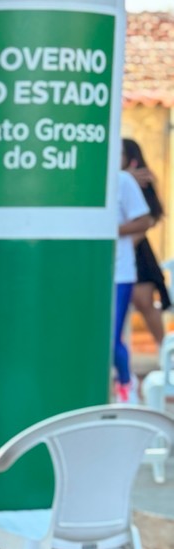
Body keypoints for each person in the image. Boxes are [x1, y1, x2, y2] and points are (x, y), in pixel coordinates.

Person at [113, 154, 153, 402]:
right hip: (84, 273)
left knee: (111, 335)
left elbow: (145, 220)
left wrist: (108, 229)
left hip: (119, 272)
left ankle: (126, 383)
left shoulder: (123, 181)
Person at [123, 137, 169, 351]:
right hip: (124, 247)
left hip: (137, 250)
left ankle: (163, 349)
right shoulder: (119, 179)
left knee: (144, 302)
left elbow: (150, 216)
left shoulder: (139, 180)